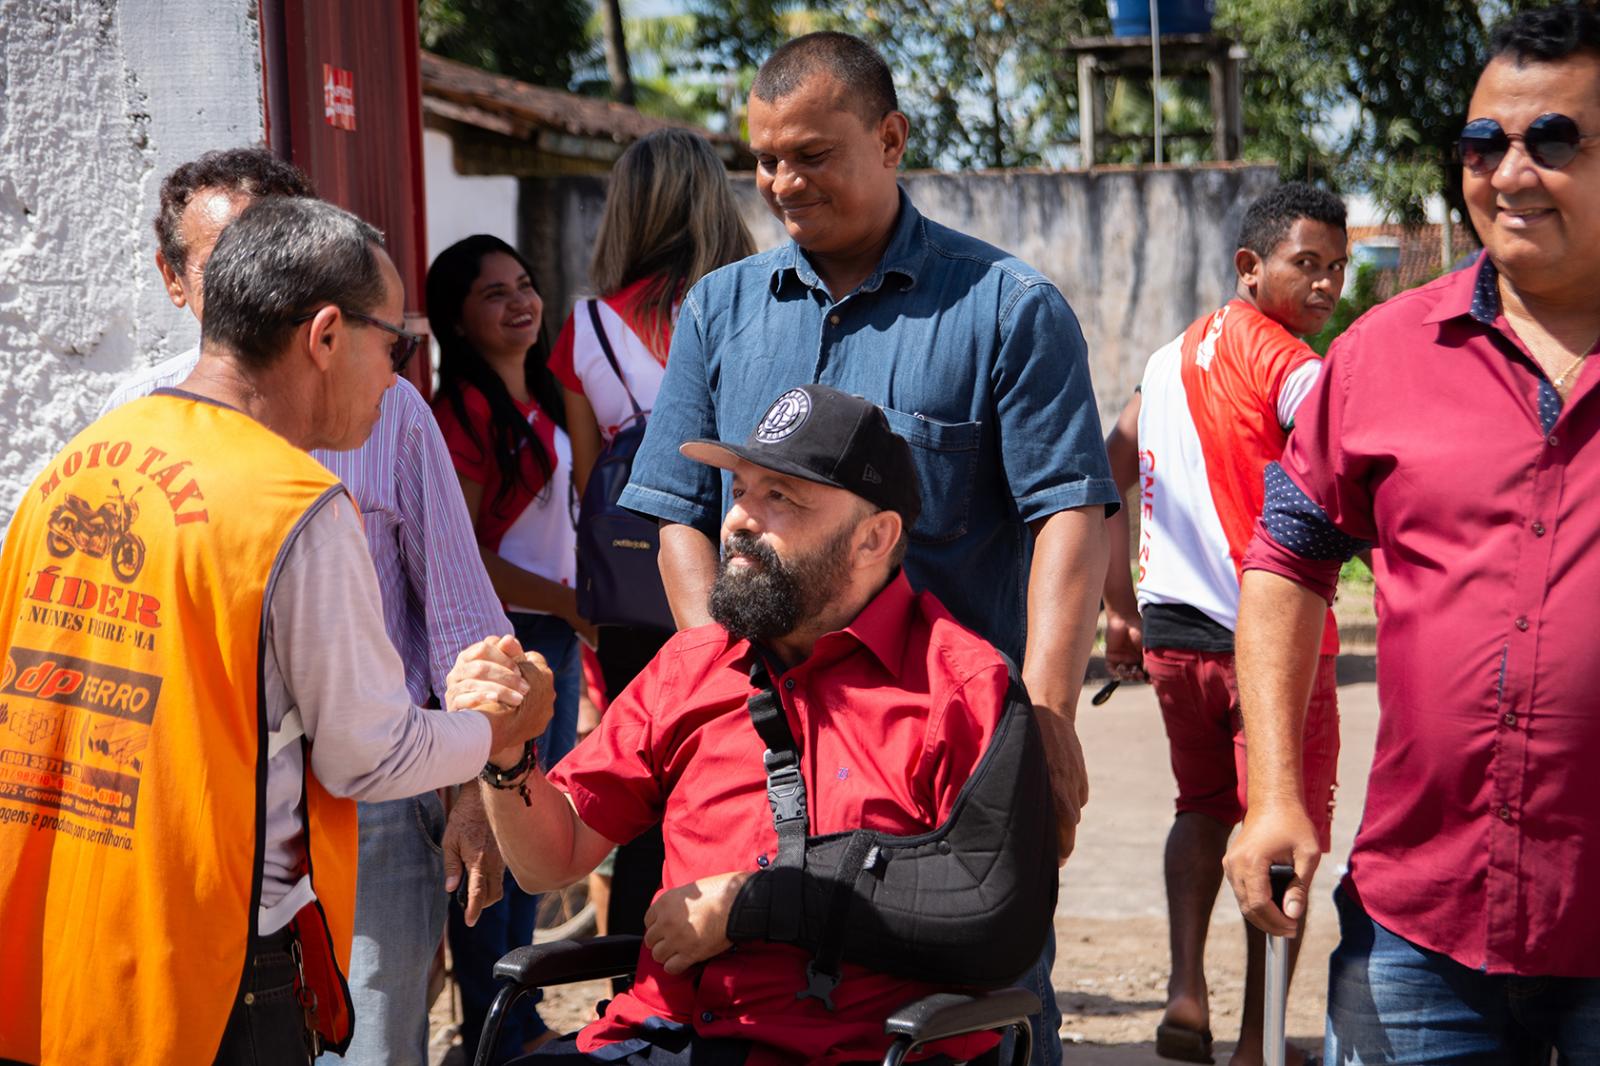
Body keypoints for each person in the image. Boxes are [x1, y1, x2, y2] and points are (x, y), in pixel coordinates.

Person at [616, 35, 1117, 1060]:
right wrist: (717, 681)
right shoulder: (721, 310)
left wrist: (1050, 717)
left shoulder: (1003, 309)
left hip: (946, 771)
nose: (781, 182)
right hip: (767, 766)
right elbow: (679, 513)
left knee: (975, 1013)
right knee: (762, 1017)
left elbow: (1068, 513)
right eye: (763, 158)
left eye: (810, 154)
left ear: (889, 139)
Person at [0, 196, 550, 1065]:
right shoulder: (290, 504)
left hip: (64, 930)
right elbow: (365, 755)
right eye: (393, 344)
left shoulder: (74, 469)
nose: (397, 372)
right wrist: (498, 734)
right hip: (217, 957)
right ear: (326, 336)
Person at [1223, 5, 1600, 1061]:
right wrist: (1276, 796)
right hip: (1421, 935)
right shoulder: (1380, 353)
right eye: (1485, 143)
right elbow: (1285, 559)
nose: (1510, 173)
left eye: (1553, 140)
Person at [476, 384, 1036, 1065]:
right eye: (739, 489)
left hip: (857, 1051)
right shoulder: (692, 664)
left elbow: (995, 916)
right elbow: (549, 859)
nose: (739, 518)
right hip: (663, 1041)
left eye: (782, 497)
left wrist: (755, 902)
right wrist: (508, 757)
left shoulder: (964, 687)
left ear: (873, 537)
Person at [1099, 183, 1348, 1065]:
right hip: (1267, 643)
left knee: (1201, 811)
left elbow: (1107, 469)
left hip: (1173, 638)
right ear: (1250, 267)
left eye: (1338, 268)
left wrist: (1119, 604)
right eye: (1305, 264)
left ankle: (1185, 998)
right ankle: (1259, 1041)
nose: (1326, 285)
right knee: (1279, 830)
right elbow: (1344, 455)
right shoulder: (1293, 365)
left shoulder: (1167, 359)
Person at [549, 126, 756, 944]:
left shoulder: (587, 329)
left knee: (646, 783)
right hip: (747, 568)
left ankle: (636, 981)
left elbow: (589, 481)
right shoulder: (751, 305)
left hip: (638, 595)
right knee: (745, 767)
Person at [428, 234, 589, 1061]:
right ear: (457, 317)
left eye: (525, 284)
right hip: (505, 648)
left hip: (556, 638)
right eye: (494, 293)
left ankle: (512, 1014)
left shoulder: (549, 398)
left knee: (535, 831)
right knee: (492, 835)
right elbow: (467, 557)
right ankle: (493, 1024)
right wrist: (568, 601)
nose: (519, 301)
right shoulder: (460, 414)